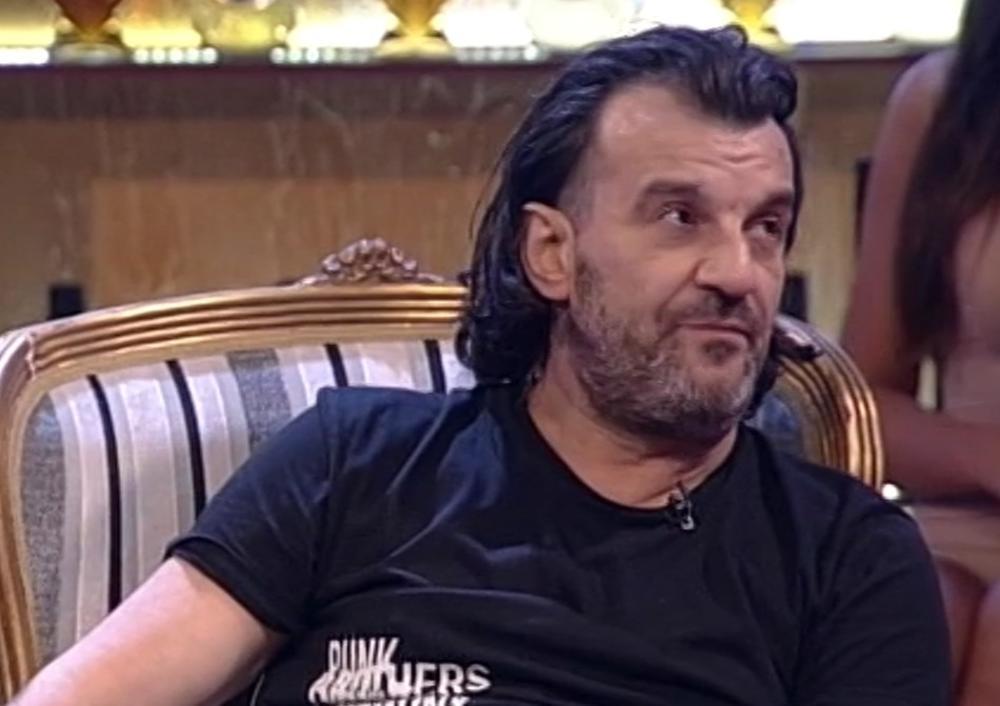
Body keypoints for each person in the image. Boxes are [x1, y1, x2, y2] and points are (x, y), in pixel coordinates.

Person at [14, 25, 948, 706]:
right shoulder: (354, 462)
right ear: (551, 253)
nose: (737, 273)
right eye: (680, 217)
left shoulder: (846, 558)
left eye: (767, 226)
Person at [842, 1, 1000, 703]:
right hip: (960, 520)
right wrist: (988, 458)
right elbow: (859, 410)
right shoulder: (944, 100)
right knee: (915, 611)